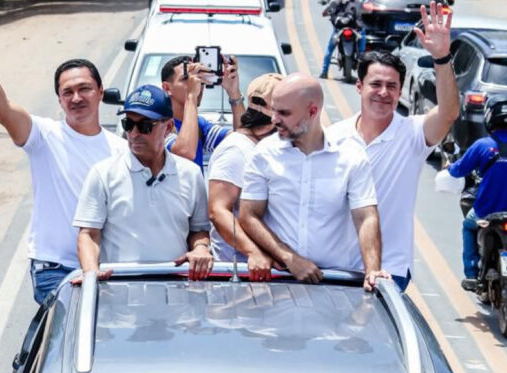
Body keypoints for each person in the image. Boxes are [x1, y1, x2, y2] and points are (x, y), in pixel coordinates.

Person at [0, 18, 124, 305]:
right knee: (69, 329)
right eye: (67, 92)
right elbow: (2, 110)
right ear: (59, 100)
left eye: (85, 89)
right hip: (55, 269)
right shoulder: (44, 136)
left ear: (101, 92)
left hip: (106, 268)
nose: (76, 98)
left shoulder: (121, 150)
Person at [326, 4, 460, 292]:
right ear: (359, 86)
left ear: (400, 92)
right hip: (335, 268)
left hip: (389, 270)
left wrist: (441, 57)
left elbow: (448, 112)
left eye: (392, 86)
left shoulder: (412, 134)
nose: (383, 92)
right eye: (376, 84)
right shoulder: (333, 137)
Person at [238, 73, 383, 289]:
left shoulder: (351, 156)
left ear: (312, 112)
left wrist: (372, 272)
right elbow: (249, 215)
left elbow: (365, 217)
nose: (274, 119)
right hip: (279, 281)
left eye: (284, 113)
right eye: (274, 110)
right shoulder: (264, 153)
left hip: (336, 283)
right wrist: (289, 258)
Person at [74, 85, 212, 281]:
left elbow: (198, 229)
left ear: (168, 127)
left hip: (177, 288)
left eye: (145, 126)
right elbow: (88, 234)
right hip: (120, 288)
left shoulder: (191, 174)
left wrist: (201, 248)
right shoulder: (103, 173)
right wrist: (91, 272)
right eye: (128, 124)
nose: (134, 133)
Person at [445, 96, 507, 290]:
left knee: (468, 226)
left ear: (490, 117)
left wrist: (449, 166)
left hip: (486, 211)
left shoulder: (481, 145)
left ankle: (472, 274)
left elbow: (458, 170)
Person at [207, 72, 283, 278]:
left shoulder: (265, 146)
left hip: (269, 272)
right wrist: (253, 252)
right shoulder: (236, 150)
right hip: (239, 273)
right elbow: (217, 211)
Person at [161, 54, 244, 168]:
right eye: (186, 78)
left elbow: (242, 140)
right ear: (167, 88)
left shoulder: (199, 124)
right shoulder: (158, 126)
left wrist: (234, 93)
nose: (196, 84)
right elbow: (185, 153)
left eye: (198, 77)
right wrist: (191, 96)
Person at [320, 0, 365, 78]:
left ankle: (324, 72)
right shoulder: (356, 0)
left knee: (329, 50)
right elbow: (329, 9)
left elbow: (329, 9)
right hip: (347, 29)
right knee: (362, 36)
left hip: (347, 29)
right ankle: (361, 54)